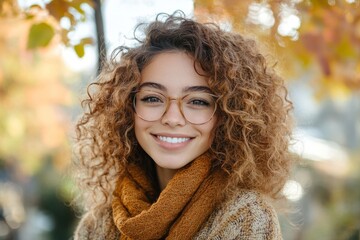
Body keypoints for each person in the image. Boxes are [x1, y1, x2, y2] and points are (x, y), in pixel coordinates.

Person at [73, 11, 294, 240]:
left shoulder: (246, 216)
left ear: (227, 116)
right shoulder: (99, 223)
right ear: (129, 108)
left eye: (198, 102)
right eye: (153, 98)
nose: (172, 118)